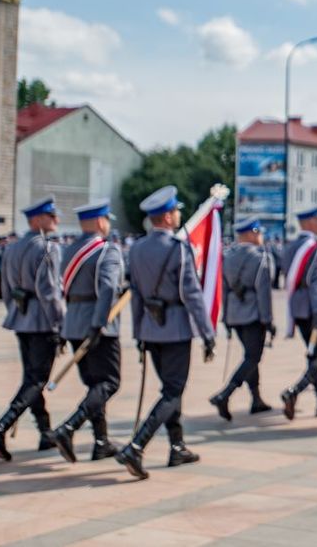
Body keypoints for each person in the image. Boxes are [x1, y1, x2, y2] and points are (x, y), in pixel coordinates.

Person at [116, 185, 216, 480]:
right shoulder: (178, 249)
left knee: (170, 390)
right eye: (176, 211)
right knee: (172, 391)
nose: (178, 215)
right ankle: (137, 445)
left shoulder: (136, 249)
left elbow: (134, 294)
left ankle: (177, 446)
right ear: (168, 217)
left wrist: (138, 335)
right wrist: (207, 333)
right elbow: (193, 295)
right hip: (175, 328)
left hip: (150, 327)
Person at [0, 196, 64, 461]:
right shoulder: (47, 248)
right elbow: (49, 291)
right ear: (38, 220)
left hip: (21, 318)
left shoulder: (13, 247)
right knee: (37, 379)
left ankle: (45, 431)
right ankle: (0, 427)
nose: (56, 220)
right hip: (42, 321)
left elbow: (5, 288)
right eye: (51, 216)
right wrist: (60, 322)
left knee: (32, 378)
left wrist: (15, 312)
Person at [51, 199, 125, 464]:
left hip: (73, 323)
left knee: (95, 385)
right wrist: (99, 323)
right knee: (109, 383)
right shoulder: (107, 250)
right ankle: (69, 427)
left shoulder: (69, 249)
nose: (108, 225)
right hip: (97, 324)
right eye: (106, 219)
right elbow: (107, 288)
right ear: (98, 221)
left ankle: (101, 441)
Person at [210, 217, 274, 421]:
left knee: (250, 356)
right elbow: (263, 293)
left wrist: (226, 318)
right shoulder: (259, 257)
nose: (261, 236)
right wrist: (268, 320)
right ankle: (225, 393)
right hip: (253, 315)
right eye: (259, 232)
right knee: (252, 358)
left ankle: (256, 399)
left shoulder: (228, 256)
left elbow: (225, 289)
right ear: (251, 233)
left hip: (235, 315)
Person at [279, 206, 317, 420]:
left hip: (298, 308)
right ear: (311, 222)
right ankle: (294, 391)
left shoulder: (291, 246)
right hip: (315, 308)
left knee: (314, 355)